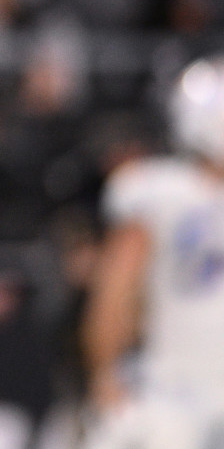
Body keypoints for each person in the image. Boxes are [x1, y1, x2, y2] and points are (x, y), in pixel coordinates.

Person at [80, 54, 224, 449]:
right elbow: (117, 291)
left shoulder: (156, 190)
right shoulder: (159, 191)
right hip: (177, 387)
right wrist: (105, 373)